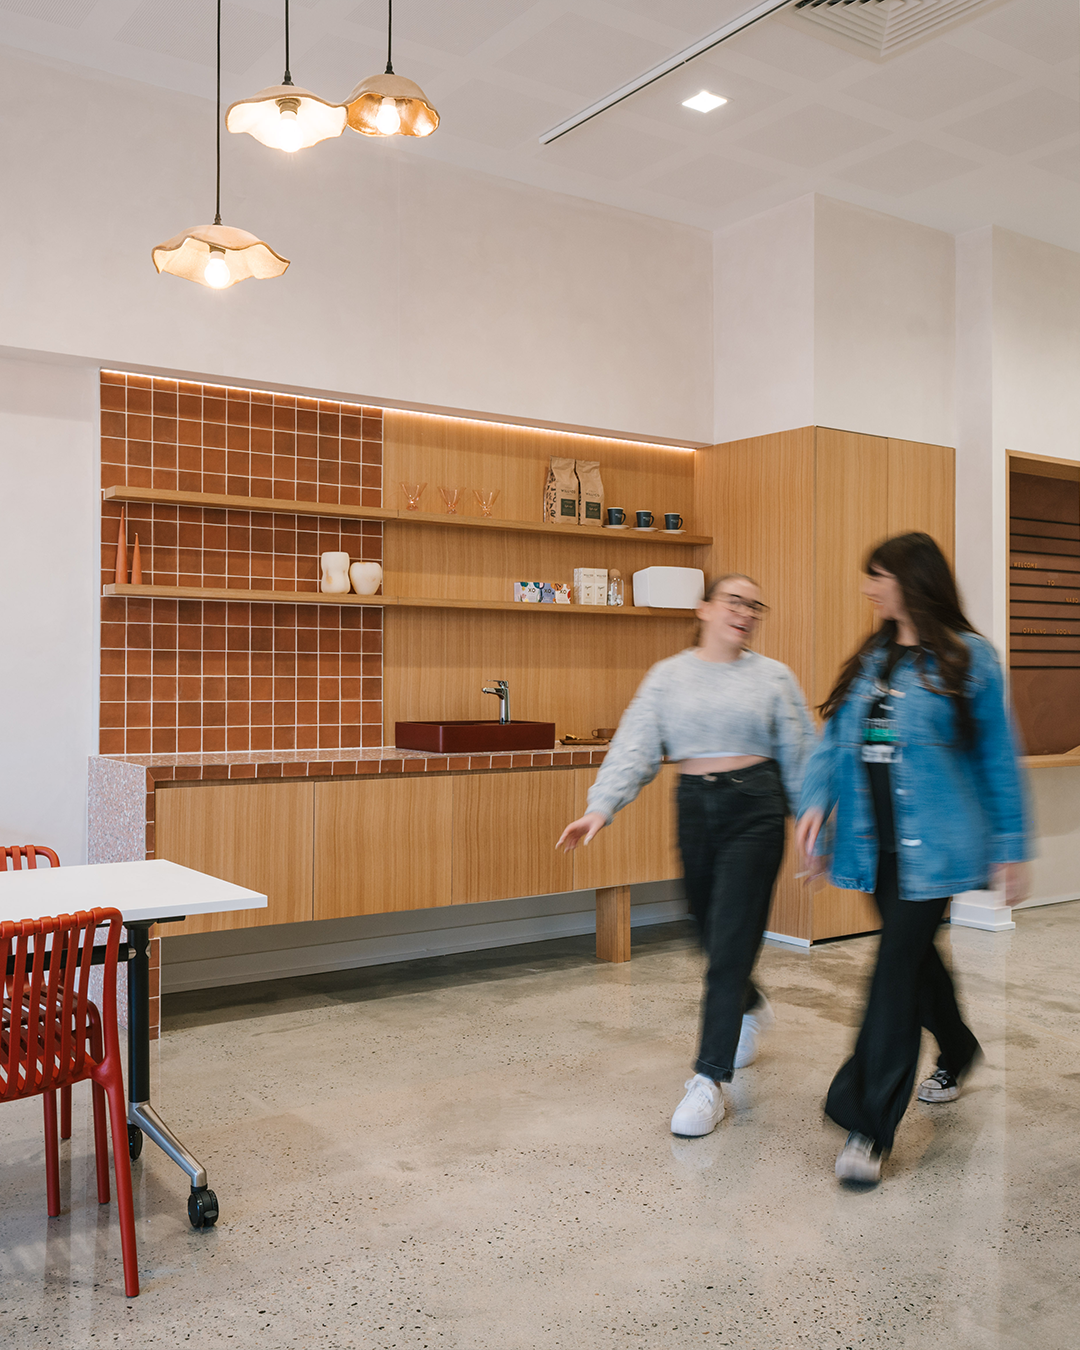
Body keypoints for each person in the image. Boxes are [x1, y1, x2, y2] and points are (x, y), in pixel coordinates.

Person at [795, 532, 1029, 1186]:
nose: (867, 588)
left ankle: (868, 1124)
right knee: (917, 959)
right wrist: (814, 805)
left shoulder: (969, 658)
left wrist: (1011, 847)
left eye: (878, 576)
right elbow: (834, 742)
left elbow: (997, 758)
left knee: (894, 969)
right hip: (874, 845)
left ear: (912, 580)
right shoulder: (873, 657)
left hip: (938, 848)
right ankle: (958, 1048)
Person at [557, 574, 815, 1138]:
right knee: (707, 931)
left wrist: (812, 819)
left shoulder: (773, 677)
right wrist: (600, 807)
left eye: (754, 605)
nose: (745, 612)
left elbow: (800, 753)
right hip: (696, 807)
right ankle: (748, 1000)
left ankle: (708, 1081)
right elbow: (635, 746)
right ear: (704, 608)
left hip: (756, 808)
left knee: (729, 943)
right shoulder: (668, 676)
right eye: (734, 601)